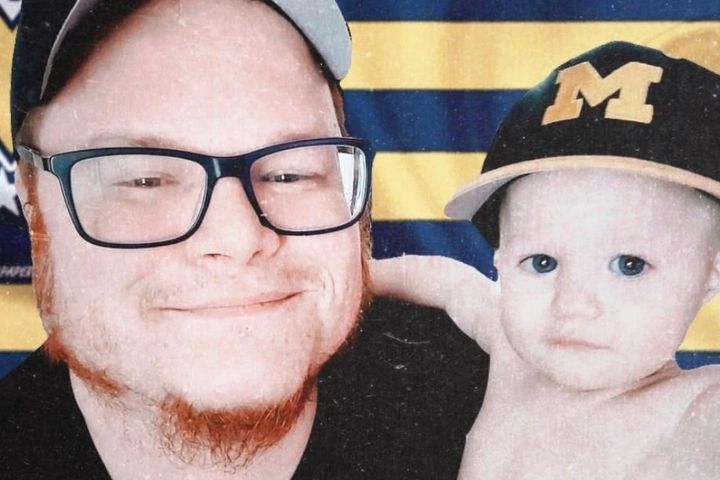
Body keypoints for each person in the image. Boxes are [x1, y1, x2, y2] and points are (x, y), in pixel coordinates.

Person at [0, 1, 487, 478]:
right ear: (33, 203)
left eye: (290, 173)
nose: (237, 238)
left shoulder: (507, 401)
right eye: (144, 180)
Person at [374, 41, 720, 478]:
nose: (572, 305)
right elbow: (451, 282)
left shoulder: (695, 408)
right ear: (501, 257)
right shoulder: (513, 354)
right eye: (542, 263)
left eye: (629, 265)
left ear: (712, 273)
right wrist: (360, 278)